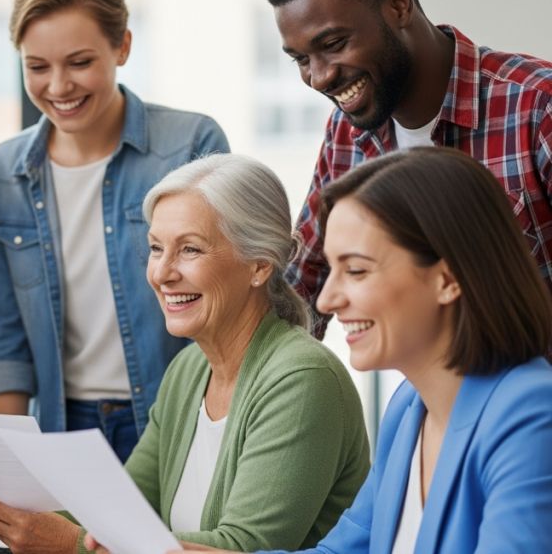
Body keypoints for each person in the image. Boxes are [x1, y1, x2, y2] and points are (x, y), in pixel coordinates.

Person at [0, 154, 370, 553]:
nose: (162, 273)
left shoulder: (303, 377)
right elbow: (125, 510)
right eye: (156, 248)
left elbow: (244, 548)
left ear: (258, 265)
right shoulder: (190, 368)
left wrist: (71, 546)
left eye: (189, 249)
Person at [166, 148, 552, 554]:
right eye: (331, 270)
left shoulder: (531, 416)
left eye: (356, 271)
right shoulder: (409, 408)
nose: (327, 299)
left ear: (446, 278)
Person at [0, 0, 229, 462]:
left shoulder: (191, 145)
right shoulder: (4, 172)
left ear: (123, 47)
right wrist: (8, 468)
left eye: (79, 62)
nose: (58, 86)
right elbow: (5, 341)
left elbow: (225, 311)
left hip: (173, 416)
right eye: (37, 66)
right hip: (60, 429)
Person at [265, 0, 552, 332]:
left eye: (333, 44)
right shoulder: (348, 132)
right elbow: (302, 290)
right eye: (302, 60)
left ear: (399, 6)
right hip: (427, 394)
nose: (320, 76)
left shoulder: (537, 107)